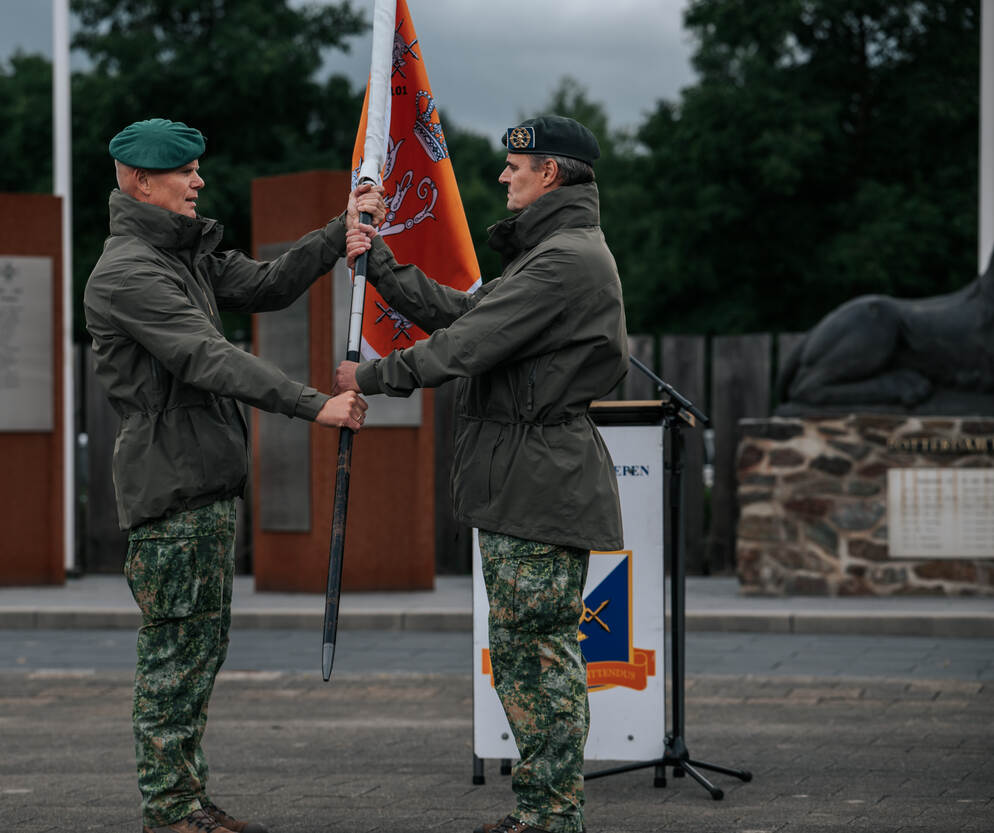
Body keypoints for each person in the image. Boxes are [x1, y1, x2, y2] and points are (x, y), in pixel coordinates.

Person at [83, 117, 384, 833]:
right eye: (182, 170)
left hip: (202, 486)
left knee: (199, 652)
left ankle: (187, 800)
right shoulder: (129, 271)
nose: (198, 180)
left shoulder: (182, 256)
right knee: (174, 656)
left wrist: (337, 232)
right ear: (135, 181)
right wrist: (316, 405)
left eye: (196, 168)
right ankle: (169, 808)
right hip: (172, 489)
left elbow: (269, 283)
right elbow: (205, 356)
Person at [337, 115, 628, 833]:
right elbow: (463, 311)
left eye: (515, 165)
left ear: (550, 173)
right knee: (524, 655)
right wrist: (381, 266)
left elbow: (464, 344)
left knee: (540, 658)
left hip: (541, 479)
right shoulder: (550, 253)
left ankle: (553, 816)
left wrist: (369, 375)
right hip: (525, 479)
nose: (504, 175)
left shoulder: (564, 259)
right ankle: (541, 812)